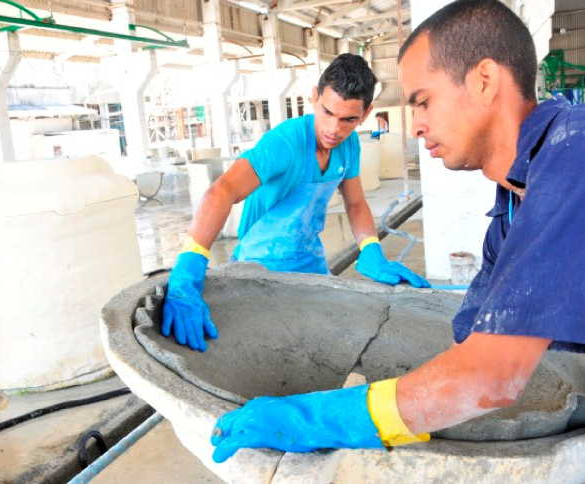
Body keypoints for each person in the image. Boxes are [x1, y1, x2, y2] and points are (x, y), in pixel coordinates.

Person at [209, 0, 585, 463]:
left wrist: (316, 418)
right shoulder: (512, 207)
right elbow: (469, 341)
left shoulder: (573, 157)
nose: (417, 126)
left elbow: (490, 378)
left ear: (484, 81)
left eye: (424, 101)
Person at [162, 54, 429, 353]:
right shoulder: (285, 143)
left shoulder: (349, 145)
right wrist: (190, 263)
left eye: (348, 120)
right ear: (314, 98)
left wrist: (370, 248)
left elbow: (355, 203)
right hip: (258, 267)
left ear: (365, 114)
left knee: (321, 346)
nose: (333, 129)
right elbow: (221, 191)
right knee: (266, 348)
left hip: (309, 262)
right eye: (327, 112)